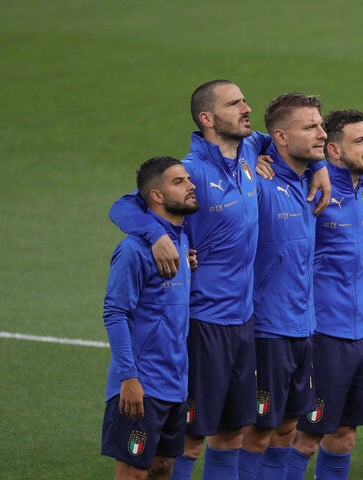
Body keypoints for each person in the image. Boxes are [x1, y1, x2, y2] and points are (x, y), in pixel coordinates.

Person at [108, 80, 330, 480]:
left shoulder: (250, 148)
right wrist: (157, 235)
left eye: (245, 100)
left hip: (244, 322)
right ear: (207, 118)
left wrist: (321, 166)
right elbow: (124, 204)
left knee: (231, 434)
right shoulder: (189, 171)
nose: (246, 108)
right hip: (204, 322)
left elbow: (294, 142)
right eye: (234, 104)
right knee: (193, 438)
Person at [237, 93, 327, 480]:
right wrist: (249, 154)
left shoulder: (309, 181)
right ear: (280, 137)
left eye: (321, 125)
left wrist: (320, 162)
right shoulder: (256, 183)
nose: (322, 133)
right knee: (255, 434)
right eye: (310, 127)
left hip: (303, 327)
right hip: (266, 330)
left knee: (288, 430)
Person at [287, 109, 363, 480]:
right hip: (323, 333)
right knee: (306, 436)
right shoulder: (313, 191)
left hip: (360, 332)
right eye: (360, 141)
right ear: (333, 151)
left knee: (344, 436)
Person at [101, 156, 199, 480]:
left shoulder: (181, 242)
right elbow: (115, 313)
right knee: (133, 474)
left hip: (174, 383)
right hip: (140, 384)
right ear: (156, 196)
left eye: (188, 179)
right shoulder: (133, 251)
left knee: (162, 469)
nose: (191, 185)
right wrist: (128, 378)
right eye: (179, 182)